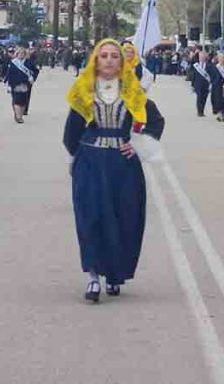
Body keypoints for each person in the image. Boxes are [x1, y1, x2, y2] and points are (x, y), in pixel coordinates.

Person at [63, 39, 165, 303]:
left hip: (123, 167)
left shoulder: (133, 92)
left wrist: (138, 146)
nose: (109, 60)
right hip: (91, 164)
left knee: (123, 218)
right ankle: (94, 277)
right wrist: (80, 156)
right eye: (104, 55)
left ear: (122, 62)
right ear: (96, 60)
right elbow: (71, 132)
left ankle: (115, 274)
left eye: (114, 56)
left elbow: (155, 121)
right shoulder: (83, 91)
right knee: (91, 218)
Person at [5, 48, 35, 124]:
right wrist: (8, 84)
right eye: (20, 53)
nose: (21, 55)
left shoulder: (28, 62)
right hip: (15, 83)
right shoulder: (13, 63)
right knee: (16, 100)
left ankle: (20, 115)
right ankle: (18, 116)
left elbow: (35, 70)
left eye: (23, 53)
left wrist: (32, 77)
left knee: (23, 101)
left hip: (25, 84)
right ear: (17, 54)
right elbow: (9, 74)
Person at [190, 50, 215, 117]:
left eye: (203, 56)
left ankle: (202, 111)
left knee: (204, 98)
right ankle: (199, 111)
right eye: (201, 56)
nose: (202, 57)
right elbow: (193, 76)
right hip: (198, 84)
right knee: (199, 97)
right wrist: (192, 85)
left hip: (206, 84)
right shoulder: (196, 66)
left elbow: (211, 75)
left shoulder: (209, 65)